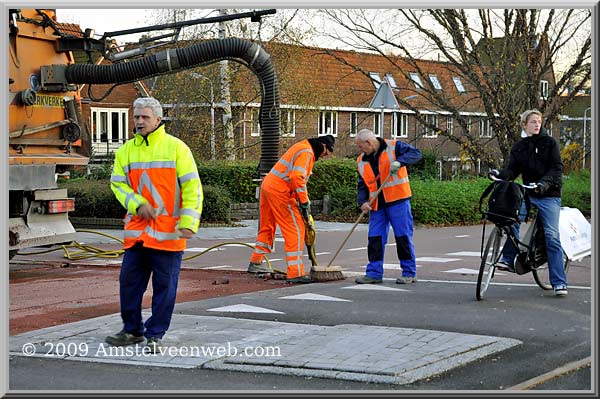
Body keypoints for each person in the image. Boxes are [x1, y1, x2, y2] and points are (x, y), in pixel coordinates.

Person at [106, 97, 203, 353]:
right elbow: (117, 184)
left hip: (169, 234)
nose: (139, 121)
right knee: (128, 284)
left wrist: (189, 222)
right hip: (138, 234)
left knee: (165, 289)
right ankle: (132, 330)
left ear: (158, 120)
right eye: (136, 117)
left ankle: (155, 335)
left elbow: (193, 187)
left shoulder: (177, 148)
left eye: (144, 117)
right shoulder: (125, 150)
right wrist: (137, 204)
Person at [489, 109, 567, 297]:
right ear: (524, 125)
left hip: (549, 194)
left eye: (539, 121)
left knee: (552, 236)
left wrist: (544, 184)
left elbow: (557, 168)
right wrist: (499, 174)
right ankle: (509, 259)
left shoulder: (550, 143)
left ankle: (559, 282)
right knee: (511, 219)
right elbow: (512, 171)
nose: (537, 124)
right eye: (533, 122)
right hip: (527, 192)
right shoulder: (519, 147)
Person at [248, 134, 335, 283]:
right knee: (296, 229)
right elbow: (297, 177)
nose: (325, 156)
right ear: (323, 145)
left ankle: (255, 262)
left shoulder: (301, 147)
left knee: (267, 226)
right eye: (327, 152)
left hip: (268, 186)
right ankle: (295, 272)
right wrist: (304, 201)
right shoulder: (307, 152)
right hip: (280, 192)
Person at [353, 128, 422, 285]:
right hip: (376, 204)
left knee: (402, 237)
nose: (360, 150)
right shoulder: (361, 160)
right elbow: (362, 184)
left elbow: (416, 154)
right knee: (375, 238)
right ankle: (374, 273)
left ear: (369, 142)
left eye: (361, 146)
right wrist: (362, 201)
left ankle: (409, 272)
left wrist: (400, 162)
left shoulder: (394, 147)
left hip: (398, 201)